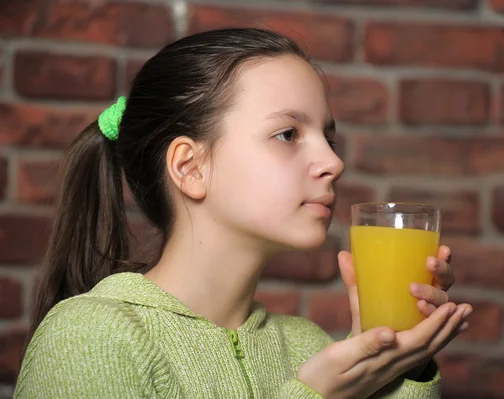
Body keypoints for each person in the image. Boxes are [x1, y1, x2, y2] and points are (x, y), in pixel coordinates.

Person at [14, 28, 472, 398]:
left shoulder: (309, 346)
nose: (334, 162)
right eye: (288, 134)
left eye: (328, 138)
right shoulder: (91, 338)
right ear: (190, 168)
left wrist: (396, 365)